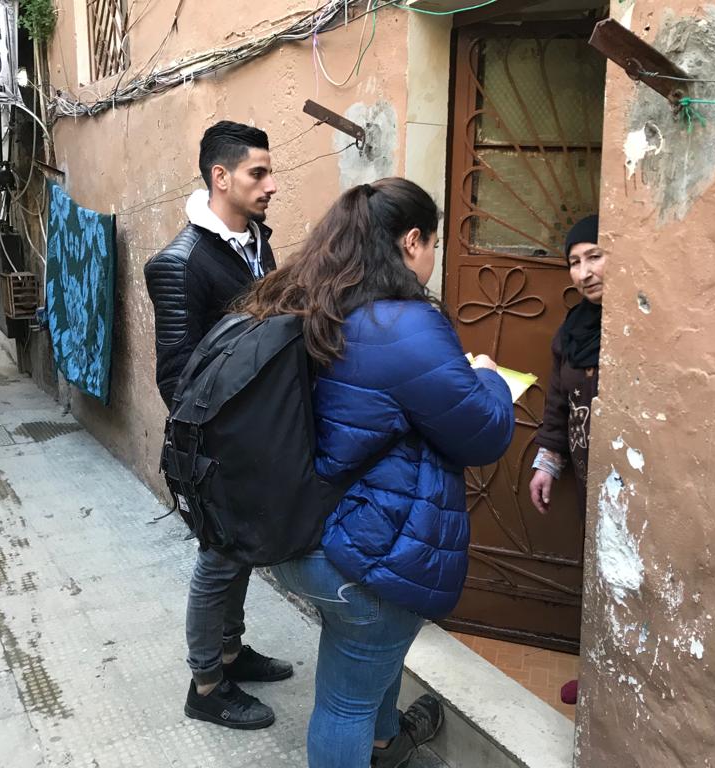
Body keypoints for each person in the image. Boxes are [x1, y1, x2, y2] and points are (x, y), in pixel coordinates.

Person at [239, 178, 516, 767]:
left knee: (363, 655)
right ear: (412, 241)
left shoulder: (309, 300)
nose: (434, 258)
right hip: (366, 551)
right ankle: (375, 736)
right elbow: (484, 433)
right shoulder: (403, 326)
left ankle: (386, 743)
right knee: (344, 705)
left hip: (305, 533)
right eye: (434, 243)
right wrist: (488, 376)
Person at [144, 121, 292, 730]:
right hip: (218, 444)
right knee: (219, 558)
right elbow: (176, 377)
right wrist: (221, 449)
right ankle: (206, 682)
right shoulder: (180, 264)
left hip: (258, 431)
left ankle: (231, 651)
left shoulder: (256, 242)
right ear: (221, 177)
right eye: (259, 173)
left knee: (241, 552)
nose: (272, 185)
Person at [528, 214, 603, 707]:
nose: (583, 273)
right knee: (594, 572)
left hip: (635, 485)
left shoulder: (643, 321)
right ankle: (596, 674)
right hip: (588, 476)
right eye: (574, 263)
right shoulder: (575, 328)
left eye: (594, 256)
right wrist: (548, 461)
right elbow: (557, 403)